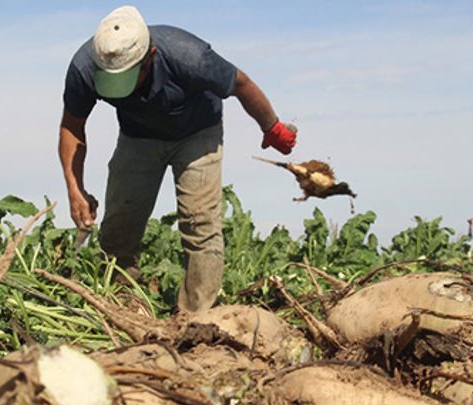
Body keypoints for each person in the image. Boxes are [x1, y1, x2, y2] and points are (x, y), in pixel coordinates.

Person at [59, 5, 296, 312]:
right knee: (119, 226)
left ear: (151, 56)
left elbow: (242, 84)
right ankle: (121, 306)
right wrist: (74, 187)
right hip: (138, 137)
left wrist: (272, 126)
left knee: (200, 224)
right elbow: (72, 126)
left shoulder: (189, 56)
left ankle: (197, 319)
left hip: (198, 133)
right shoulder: (85, 67)